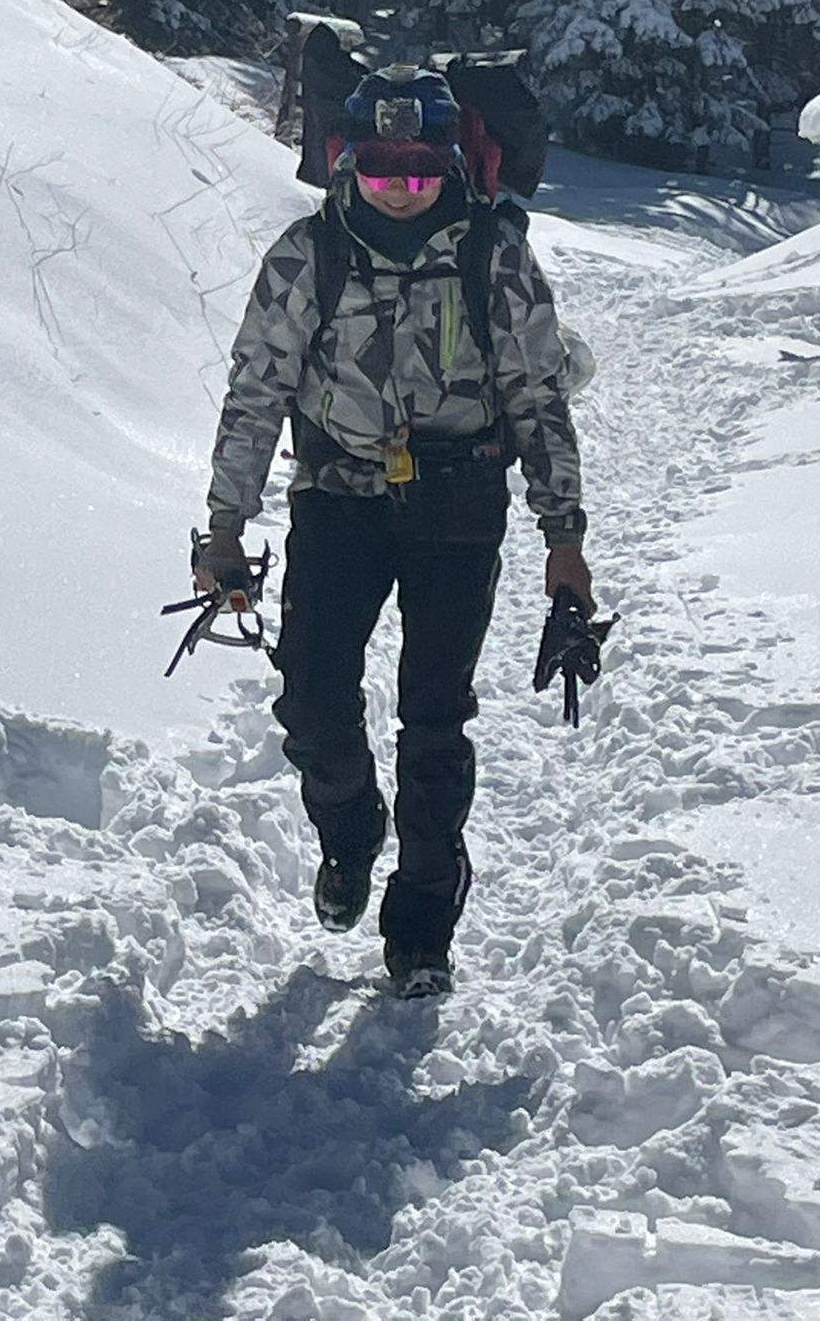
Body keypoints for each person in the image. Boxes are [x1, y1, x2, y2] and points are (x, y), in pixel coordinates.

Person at [197, 63, 593, 997]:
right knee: (312, 694)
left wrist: (564, 541)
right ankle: (349, 829)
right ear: (347, 164)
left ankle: (421, 919)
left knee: (434, 715)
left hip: (459, 505)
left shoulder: (492, 253)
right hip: (338, 501)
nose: (402, 189)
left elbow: (539, 398)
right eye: (382, 170)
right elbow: (256, 393)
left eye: (421, 171)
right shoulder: (308, 254)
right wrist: (225, 525)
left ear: (453, 166)